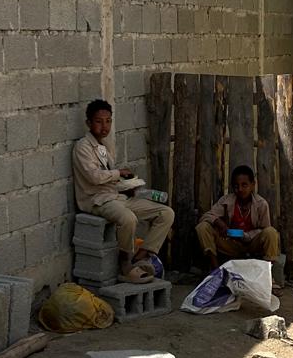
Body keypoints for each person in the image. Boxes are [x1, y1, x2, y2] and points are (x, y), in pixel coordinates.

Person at [71, 98, 174, 283]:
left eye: (108, 121)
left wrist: (128, 186)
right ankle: (125, 263)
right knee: (128, 219)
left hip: (116, 197)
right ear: (88, 123)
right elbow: (94, 177)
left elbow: (109, 178)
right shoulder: (83, 147)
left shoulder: (103, 146)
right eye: (99, 121)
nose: (104, 126)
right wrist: (119, 173)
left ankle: (140, 257)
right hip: (97, 200)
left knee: (166, 213)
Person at [196, 165, 281, 271]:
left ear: (252, 185)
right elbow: (206, 216)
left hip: (252, 245)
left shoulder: (261, 204)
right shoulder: (226, 201)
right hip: (231, 244)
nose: (240, 189)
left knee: (271, 233)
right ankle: (216, 271)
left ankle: (267, 273)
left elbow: (265, 229)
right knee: (203, 227)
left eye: (244, 185)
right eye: (236, 186)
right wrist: (219, 223)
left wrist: (246, 235)